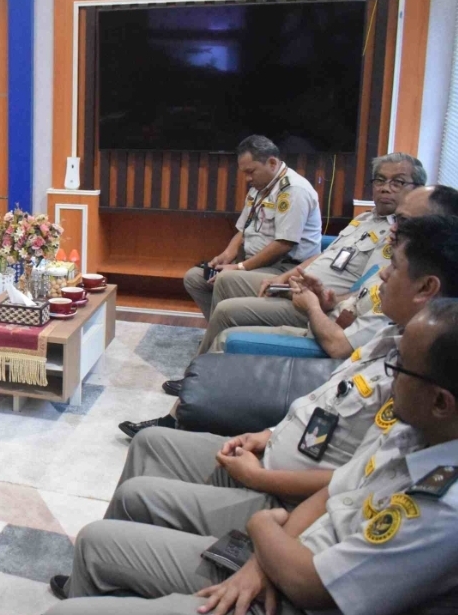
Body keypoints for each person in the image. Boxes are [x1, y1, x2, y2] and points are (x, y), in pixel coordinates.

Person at [45, 298, 458, 615]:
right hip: (280, 548)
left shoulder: (442, 507)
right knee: (108, 525)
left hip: (285, 594)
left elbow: (310, 584)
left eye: (400, 369)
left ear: (441, 401)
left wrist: (262, 528)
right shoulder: (411, 433)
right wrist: (265, 555)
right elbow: (335, 493)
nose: (391, 378)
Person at [90, 215, 458, 547]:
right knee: (150, 444)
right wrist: (266, 436)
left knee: (126, 508)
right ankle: (129, 562)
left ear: (427, 287)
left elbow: (350, 484)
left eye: (394, 266)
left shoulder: (418, 383)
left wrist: (258, 478)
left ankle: (124, 555)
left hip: (283, 500)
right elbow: (329, 399)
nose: (383, 274)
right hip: (271, 452)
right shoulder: (391, 337)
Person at [125, 187, 458, 439]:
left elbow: (342, 344)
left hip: (318, 330)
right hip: (320, 306)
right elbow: (356, 295)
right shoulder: (391, 254)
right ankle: (193, 390)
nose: (394, 226)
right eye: (397, 218)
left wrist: (312, 305)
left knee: (228, 323)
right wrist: (326, 298)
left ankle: (183, 410)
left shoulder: (413, 293)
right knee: (216, 290)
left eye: (406, 222)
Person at [192, 153, 425, 356]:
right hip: (297, 284)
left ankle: (202, 366)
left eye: (398, 182)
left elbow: (365, 293)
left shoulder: (399, 237)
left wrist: (321, 300)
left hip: (316, 304)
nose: (385, 188)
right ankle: (213, 352)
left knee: (226, 309)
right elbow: (327, 254)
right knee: (222, 281)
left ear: (417, 190)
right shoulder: (364, 218)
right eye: (380, 180)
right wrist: (285, 278)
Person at [183, 135, 323, 320]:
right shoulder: (259, 188)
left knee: (225, 279)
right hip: (256, 263)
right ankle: (220, 328)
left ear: (272, 163)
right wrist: (226, 255)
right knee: (194, 278)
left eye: (251, 172)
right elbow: (244, 229)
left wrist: (240, 267)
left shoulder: (293, 190)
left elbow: (283, 244)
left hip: (286, 268)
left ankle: (220, 333)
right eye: (244, 173)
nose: (247, 179)